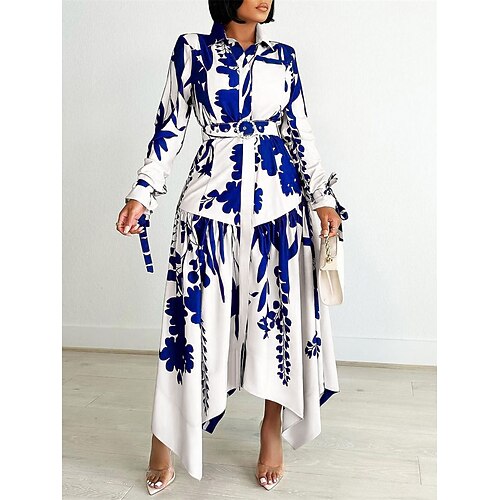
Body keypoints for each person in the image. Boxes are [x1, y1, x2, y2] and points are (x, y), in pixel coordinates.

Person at [115, 0, 348, 493]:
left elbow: (300, 133)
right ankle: (164, 440)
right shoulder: (192, 50)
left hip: (279, 210)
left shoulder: (283, 57)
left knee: (278, 328)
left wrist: (324, 199)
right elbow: (170, 128)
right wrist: (142, 194)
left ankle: (271, 428)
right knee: (189, 330)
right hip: (208, 209)